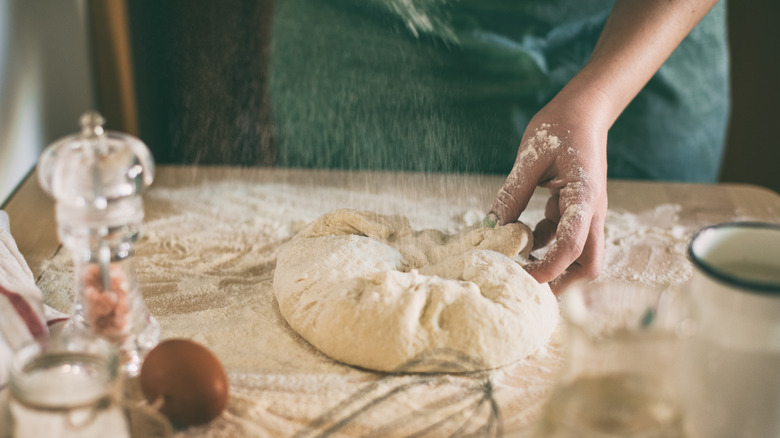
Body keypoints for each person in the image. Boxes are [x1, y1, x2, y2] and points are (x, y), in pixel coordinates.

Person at [269, 0, 729, 292]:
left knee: (632, 294)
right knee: (333, 279)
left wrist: (600, 97)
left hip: (640, 26)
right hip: (374, 27)